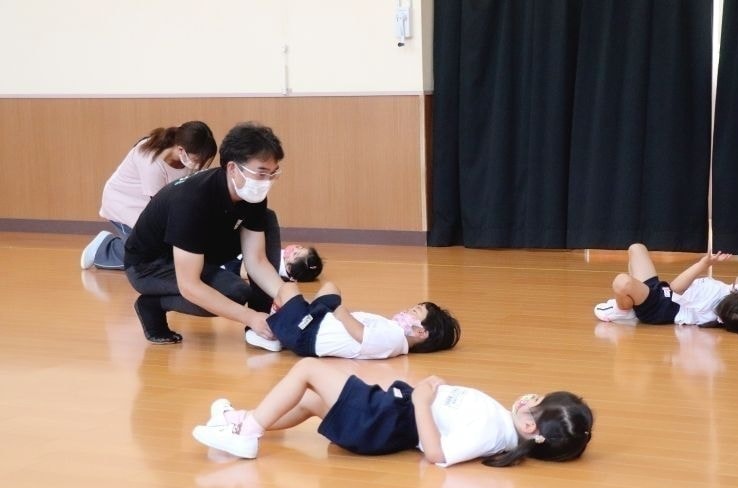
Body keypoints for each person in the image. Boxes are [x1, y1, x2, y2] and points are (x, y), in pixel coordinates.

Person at [191, 358, 593, 466]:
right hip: (386, 416)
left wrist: (421, 401)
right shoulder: (500, 423)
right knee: (313, 401)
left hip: (383, 420)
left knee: (308, 368)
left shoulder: (493, 429)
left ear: (529, 424)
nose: (529, 398)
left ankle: (246, 433)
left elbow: (436, 454)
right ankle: (242, 421)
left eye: (535, 403)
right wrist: (435, 392)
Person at [123, 121, 286, 344]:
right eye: (261, 173)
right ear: (232, 168)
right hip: (149, 267)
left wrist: (288, 296)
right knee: (234, 293)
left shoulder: (251, 196)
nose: (266, 182)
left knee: (267, 219)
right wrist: (249, 316)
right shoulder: (191, 200)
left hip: (196, 253)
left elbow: (256, 260)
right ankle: (153, 304)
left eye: (272, 174)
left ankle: (262, 321)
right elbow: (189, 285)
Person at [80, 121, 218, 270]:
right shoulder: (152, 163)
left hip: (150, 206)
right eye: (196, 160)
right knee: (148, 259)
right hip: (124, 204)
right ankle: (103, 248)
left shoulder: (185, 143)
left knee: (170, 249)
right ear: (180, 150)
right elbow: (159, 212)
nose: (198, 166)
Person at [593, 243, 738, 334]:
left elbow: (675, 287)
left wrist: (703, 264)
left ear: (737, 297)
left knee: (622, 283)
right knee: (636, 248)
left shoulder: (708, 301)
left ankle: (624, 310)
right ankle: (633, 304)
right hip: (661, 293)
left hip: (658, 307)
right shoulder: (736, 303)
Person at [244, 280, 461, 358]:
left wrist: (340, 311)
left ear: (421, 332)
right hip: (319, 323)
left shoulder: (395, 338)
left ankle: (272, 334)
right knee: (331, 288)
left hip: (306, 334)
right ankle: (286, 323)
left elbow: (360, 334)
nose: (407, 311)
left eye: (414, 312)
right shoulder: (394, 335)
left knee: (288, 288)